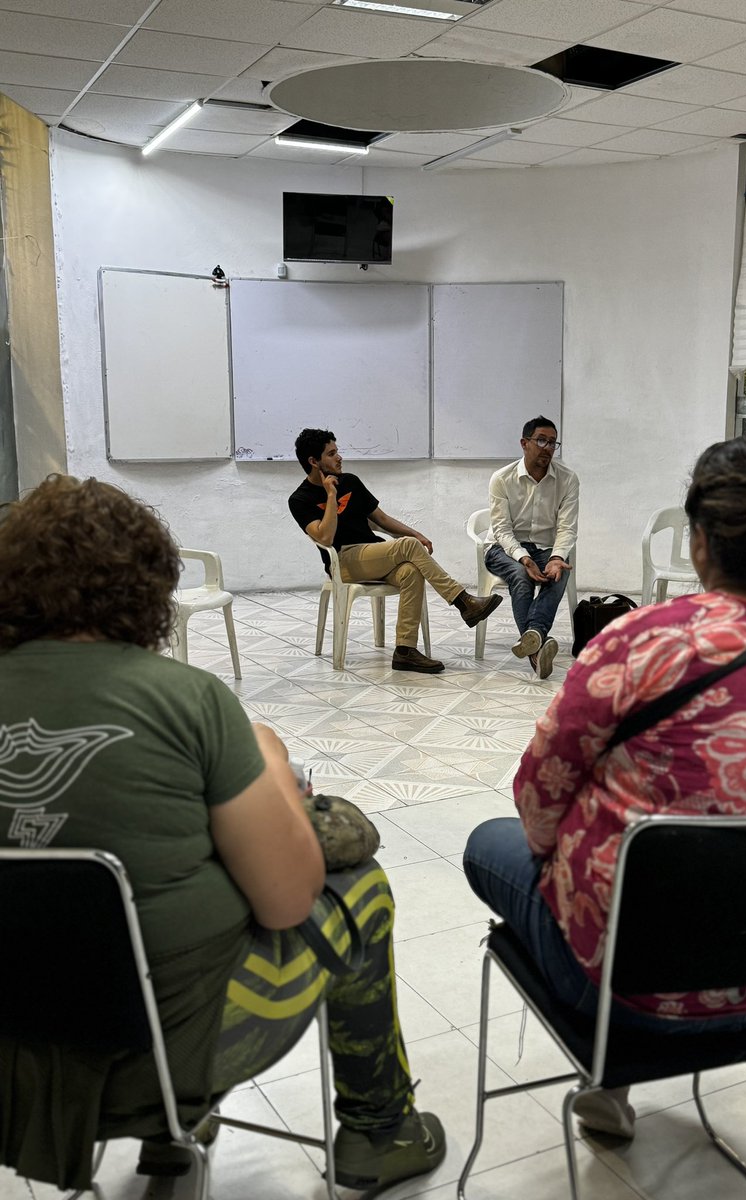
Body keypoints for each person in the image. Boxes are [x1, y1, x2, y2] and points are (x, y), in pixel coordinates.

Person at [0, 475, 445, 1193]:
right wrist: (266, 756)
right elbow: (286, 903)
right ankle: (379, 1130)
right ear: (143, 584)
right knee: (358, 889)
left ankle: (170, 1146)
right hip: (166, 1058)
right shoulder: (187, 700)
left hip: (13, 1068)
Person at [464, 430, 746, 1141]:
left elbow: (536, 804)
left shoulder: (642, 643)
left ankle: (615, 1068)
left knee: (493, 842)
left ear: (700, 542)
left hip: (637, 992)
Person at [289, 428, 501, 674]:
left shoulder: (351, 481)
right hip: (344, 561)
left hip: (374, 553)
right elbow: (325, 536)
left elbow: (381, 519)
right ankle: (464, 601)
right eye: (331, 454)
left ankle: (405, 651)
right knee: (408, 547)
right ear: (314, 462)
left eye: (338, 452)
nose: (339, 458)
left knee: (411, 570)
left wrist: (416, 534)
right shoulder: (299, 499)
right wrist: (331, 495)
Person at [483, 416, 579, 679]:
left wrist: (557, 557)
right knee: (522, 577)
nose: (547, 447)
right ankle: (536, 648)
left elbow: (567, 528)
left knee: (561, 571)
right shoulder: (502, 479)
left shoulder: (568, 480)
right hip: (502, 548)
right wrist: (524, 559)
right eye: (541, 440)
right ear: (524, 443)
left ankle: (533, 636)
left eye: (552, 442)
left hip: (545, 546)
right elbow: (502, 530)